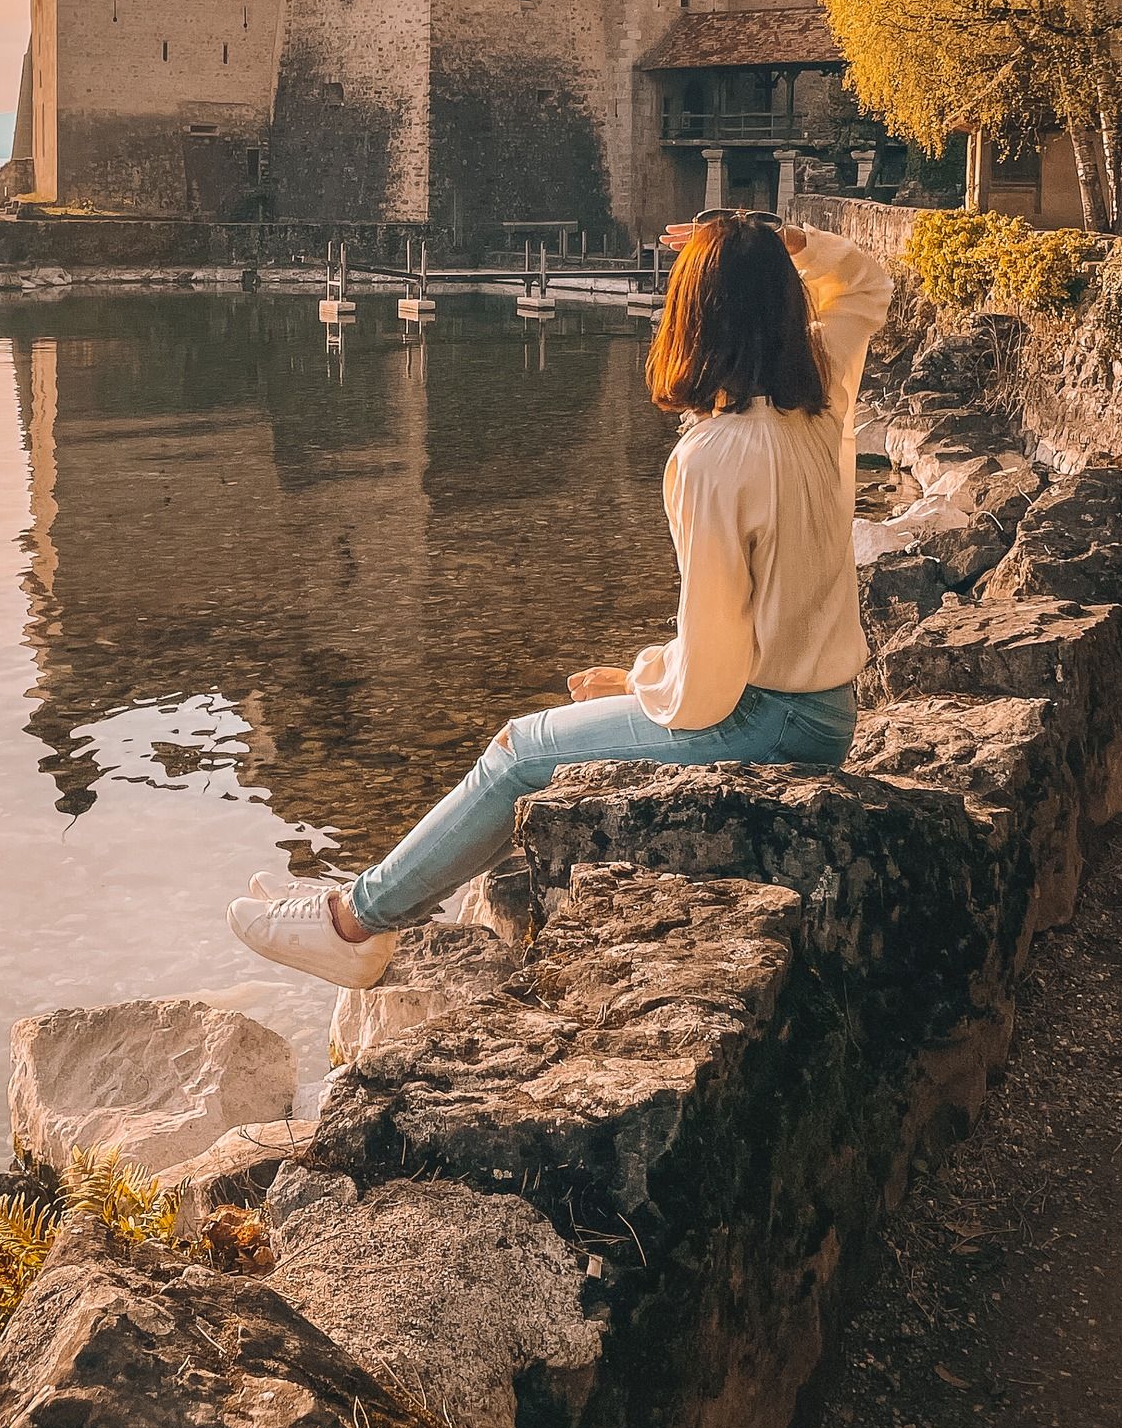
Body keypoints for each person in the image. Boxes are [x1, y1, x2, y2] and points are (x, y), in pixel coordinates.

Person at [226, 211, 895, 988]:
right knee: (552, 737)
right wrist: (781, 242)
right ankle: (368, 901)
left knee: (519, 751)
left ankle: (353, 924)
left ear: (692, 317)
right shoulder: (821, 402)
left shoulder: (713, 457)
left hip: (769, 723)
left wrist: (642, 681)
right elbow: (867, 284)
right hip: (827, 711)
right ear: (784, 303)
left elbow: (711, 686)